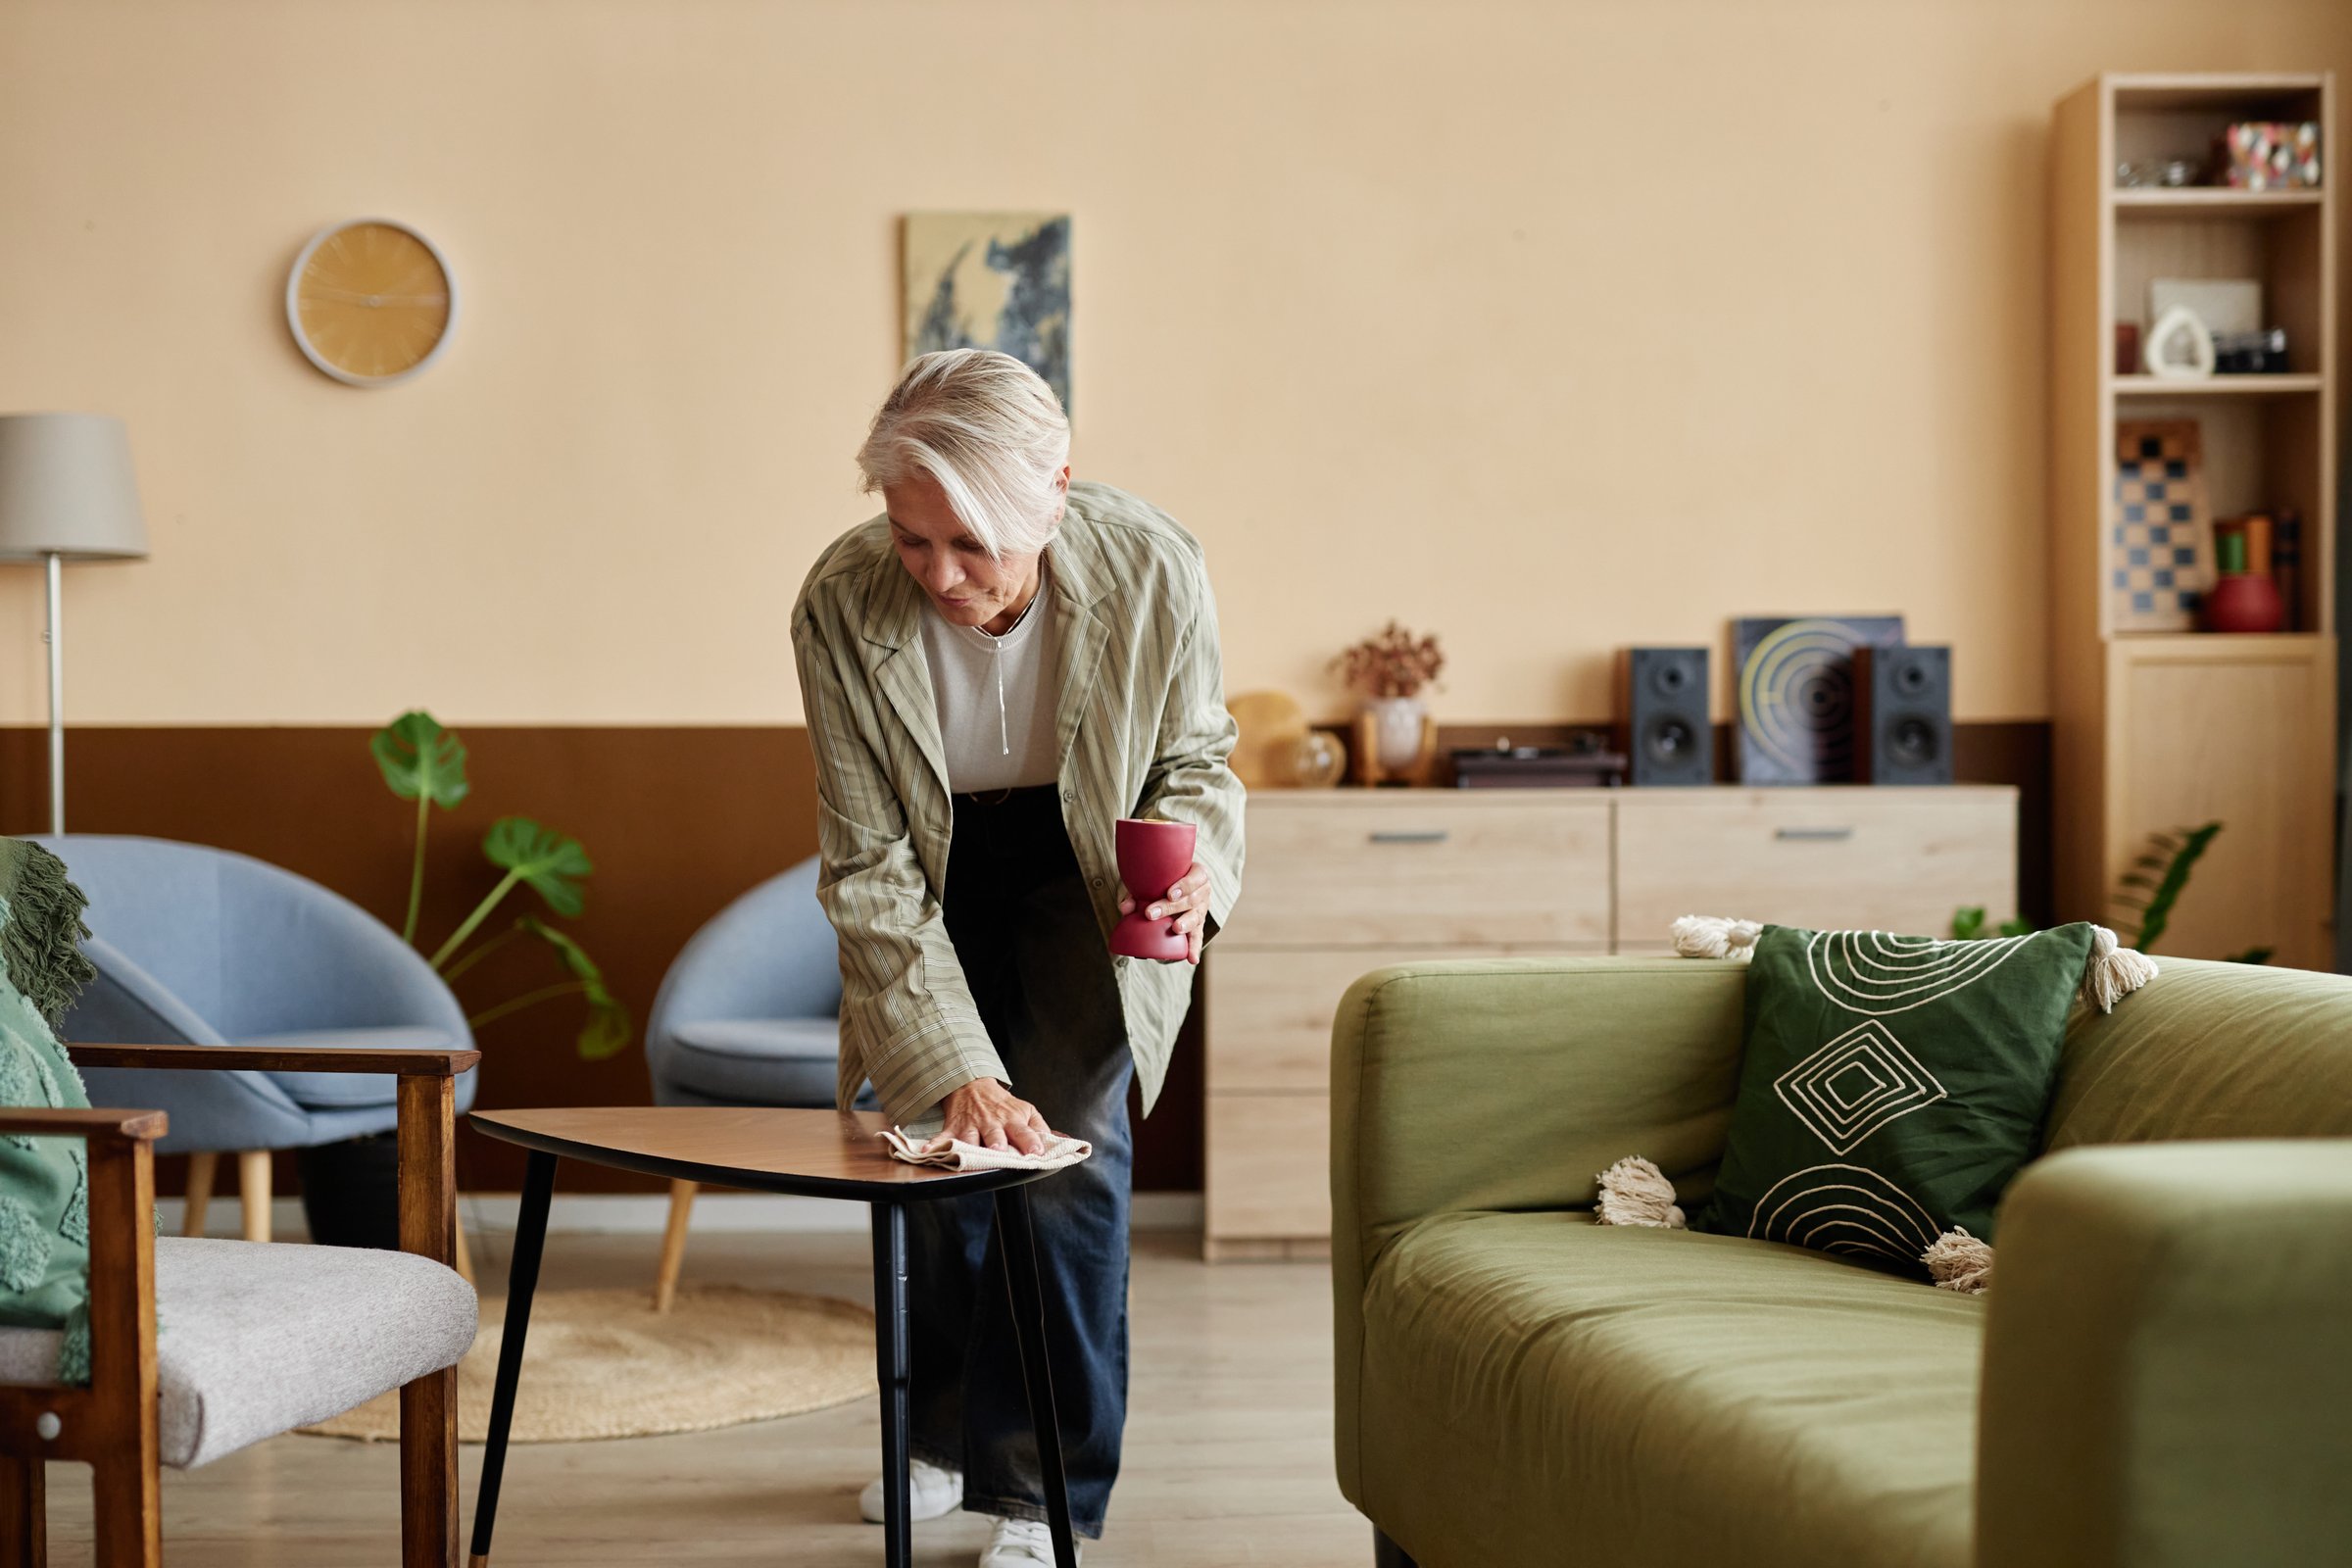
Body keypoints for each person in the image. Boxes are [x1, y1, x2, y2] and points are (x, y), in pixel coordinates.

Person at [792, 348, 1245, 1566]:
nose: (940, 575)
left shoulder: (1154, 564)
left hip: (1086, 862)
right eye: (911, 537)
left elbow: (1196, 759)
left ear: (1055, 491)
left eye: (973, 542)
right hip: (927, 860)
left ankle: (1045, 1496)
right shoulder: (838, 600)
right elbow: (868, 860)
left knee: (1061, 1163)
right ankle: (938, 1434)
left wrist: (1198, 861)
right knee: (933, 1148)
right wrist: (955, 1067)